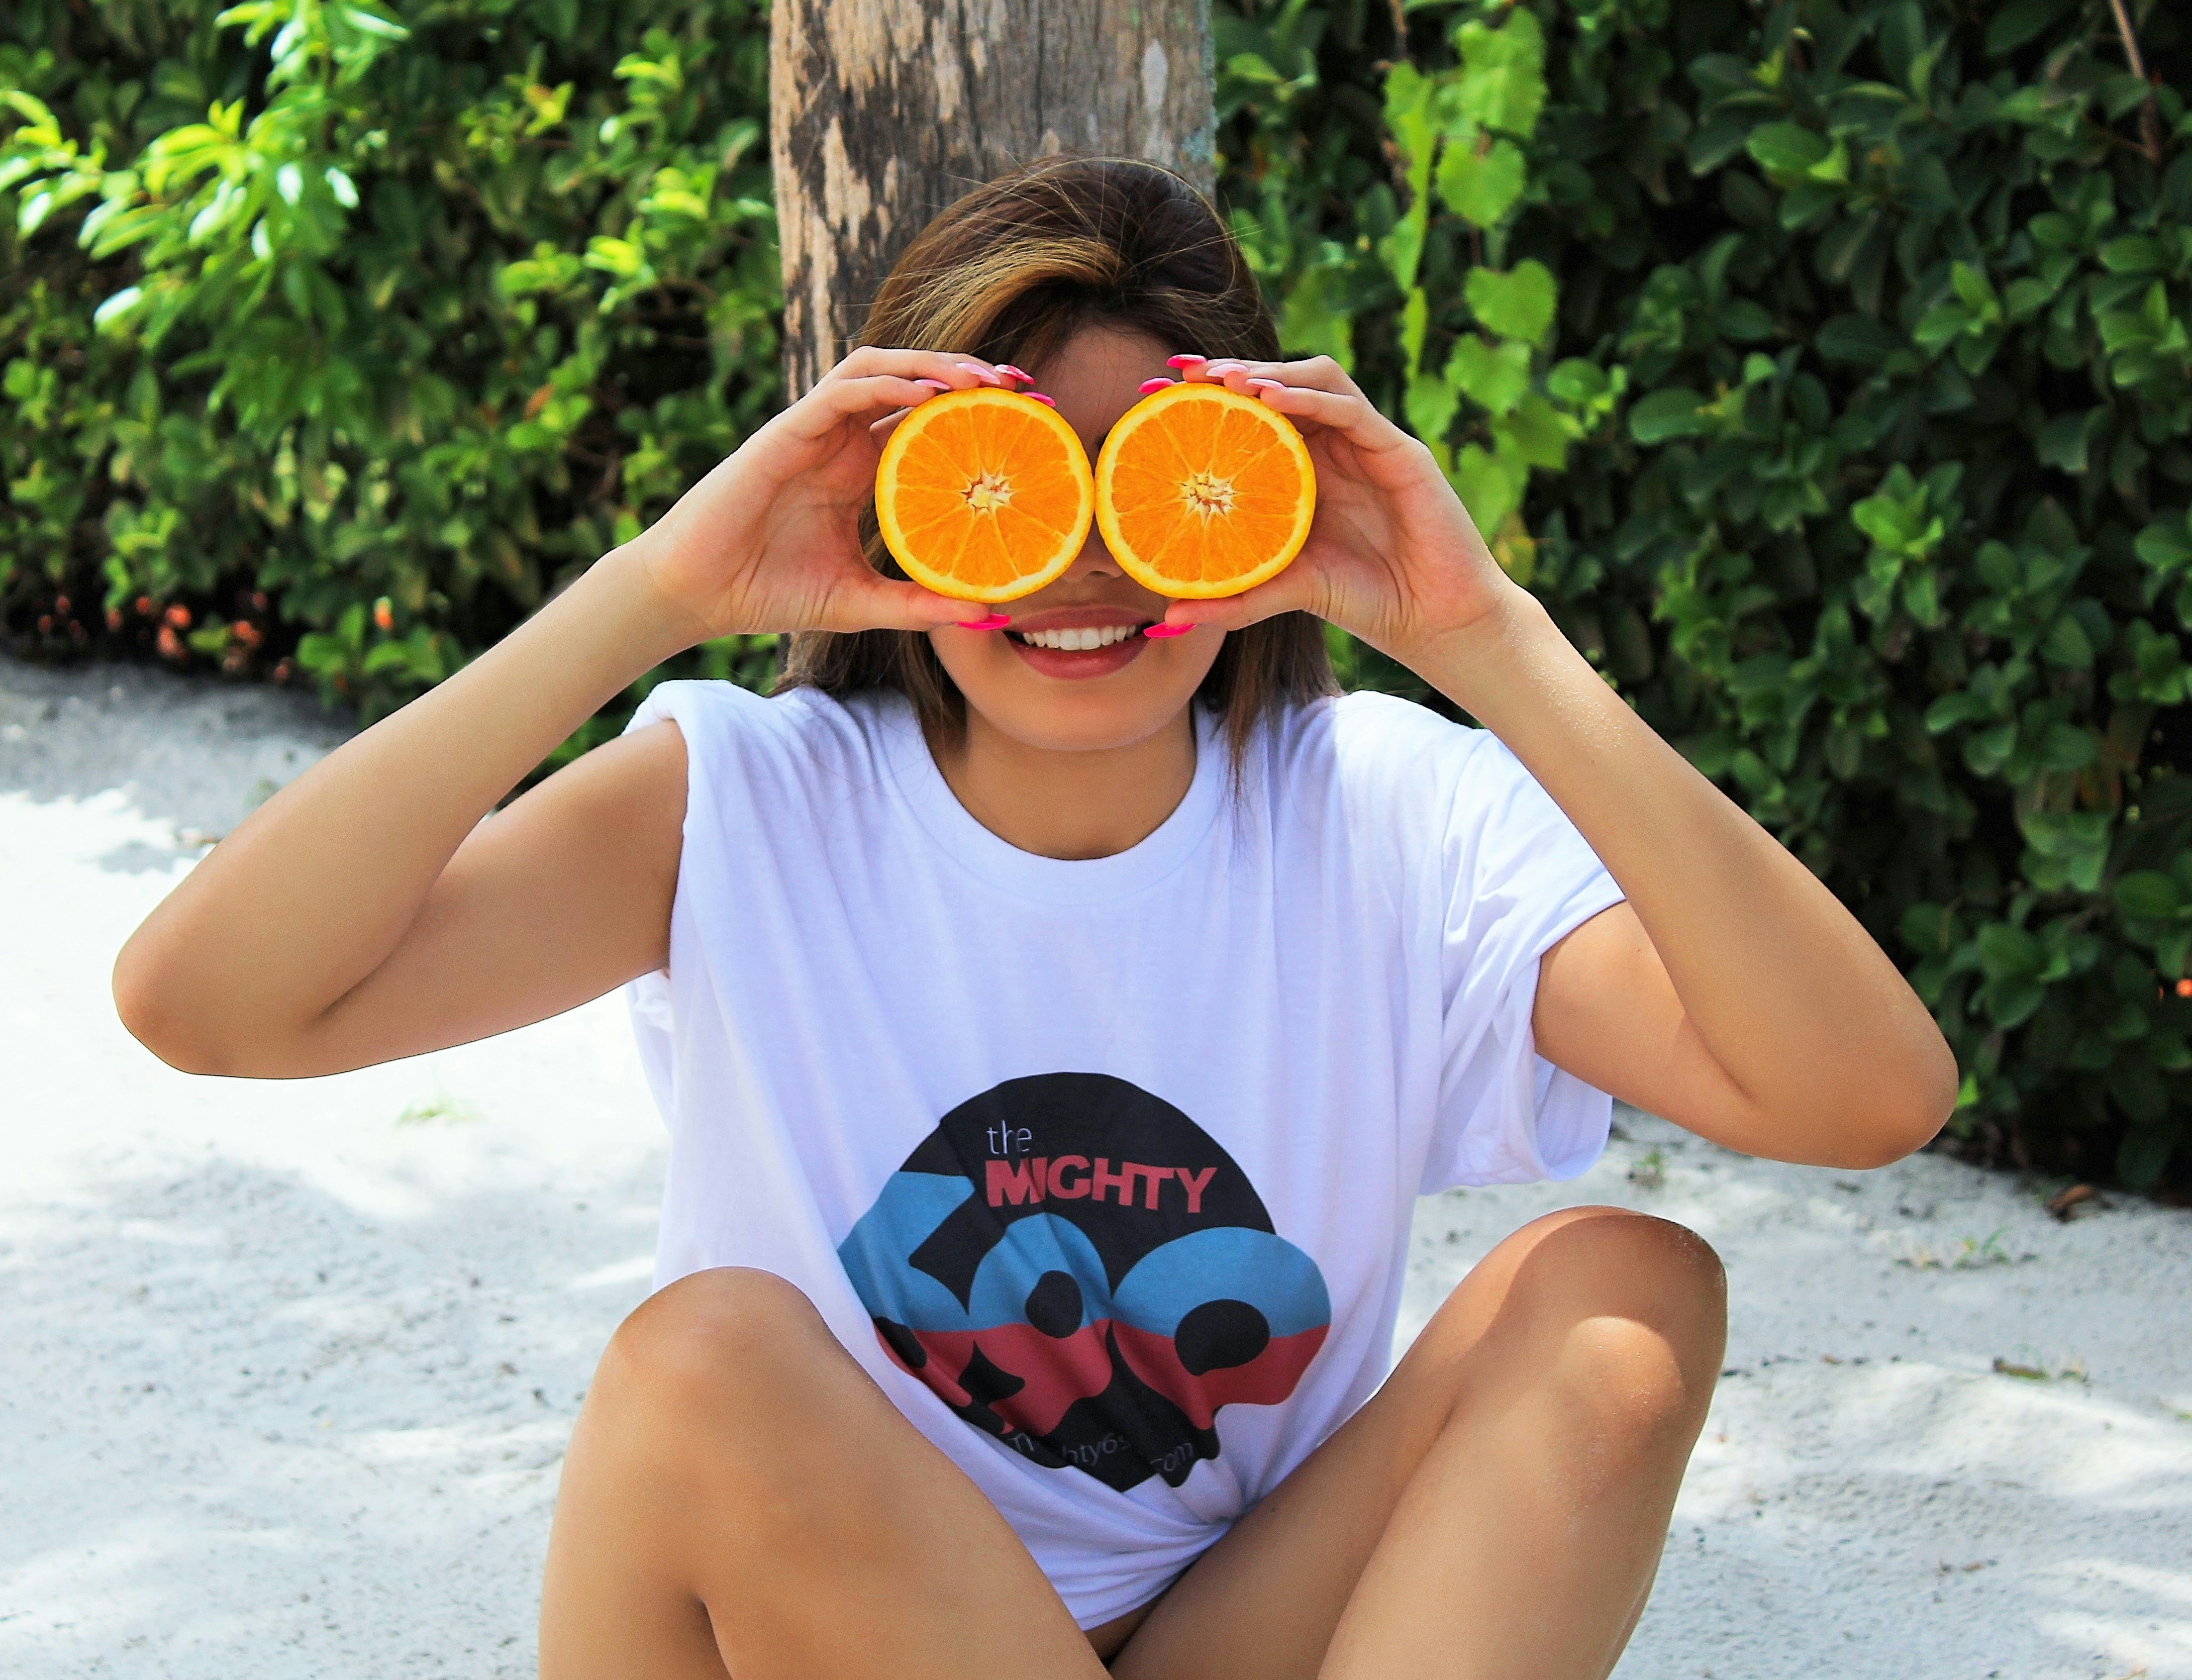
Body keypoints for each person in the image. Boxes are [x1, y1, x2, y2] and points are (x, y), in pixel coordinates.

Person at [113, 156, 1956, 1679]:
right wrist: (658, 592)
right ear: (908, 504)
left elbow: (1858, 1097)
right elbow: (213, 1005)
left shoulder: (1386, 809)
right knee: (710, 1356)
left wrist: (1492, 643)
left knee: (1624, 1293)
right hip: (808, 1616)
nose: (1083, 569)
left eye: (1155, 494)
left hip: (1219, 1624)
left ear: (1261, 503)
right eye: (1008, 493)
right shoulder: (747, 801)